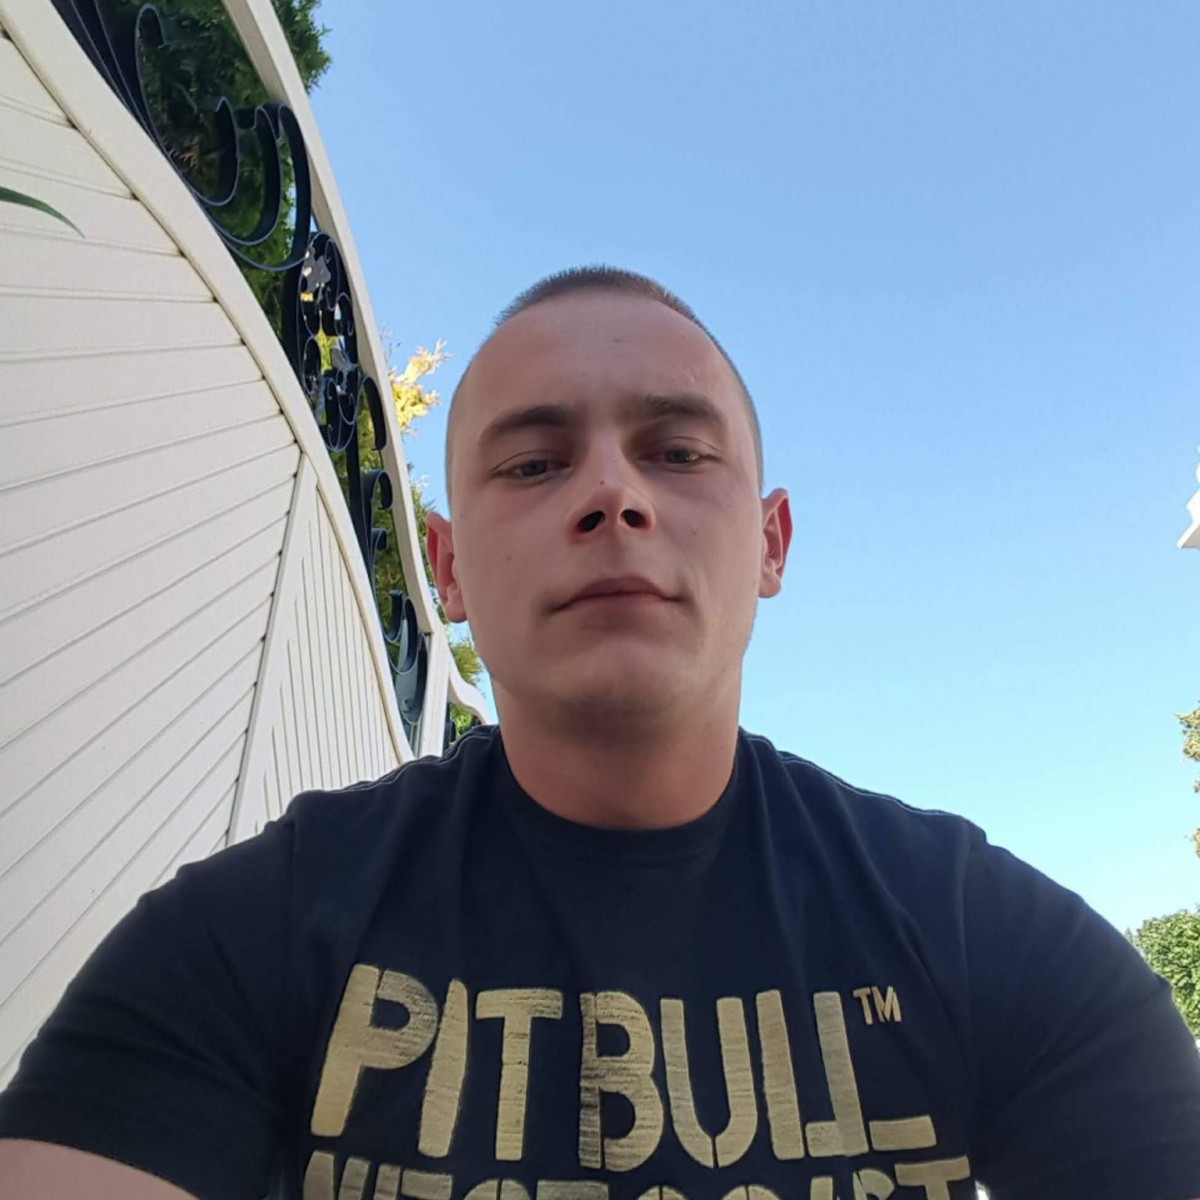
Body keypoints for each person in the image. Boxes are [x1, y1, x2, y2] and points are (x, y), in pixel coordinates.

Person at [1, 266, 1198, 1200]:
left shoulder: (979, 934)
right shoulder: (248, 934)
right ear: (447, 568)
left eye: (677, 453)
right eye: (534, 463)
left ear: (771, 542)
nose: (613, 495)